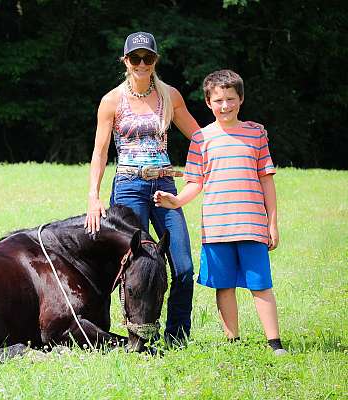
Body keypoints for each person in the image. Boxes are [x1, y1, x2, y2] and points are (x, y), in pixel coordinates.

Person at [153, 69, 287, 355]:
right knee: (223, 286)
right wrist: (175, 201)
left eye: (230, 99)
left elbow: (267, 180)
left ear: (240, 99)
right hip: (217, 228)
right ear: (208, 103)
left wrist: (272, 224)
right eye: (218, 100)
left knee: (260, 284)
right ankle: (232, 342)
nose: (225, 106)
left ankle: (274, 343)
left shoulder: (256, 133)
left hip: (252, 225)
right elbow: (195, 182)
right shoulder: (201, 139)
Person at [84, 32, 199, 345]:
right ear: (125, 61)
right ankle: (135, 333)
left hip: (164, 185)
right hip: (128, 186)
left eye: (147, 58)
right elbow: (100, 151)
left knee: (184, 267)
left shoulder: (170, 96)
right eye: (135, 58)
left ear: (155, 61)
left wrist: (230, 144)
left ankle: (177, 335)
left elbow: (199, 137)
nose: (141, 64)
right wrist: (93, 197)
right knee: (133, 264)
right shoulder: (111, 101)